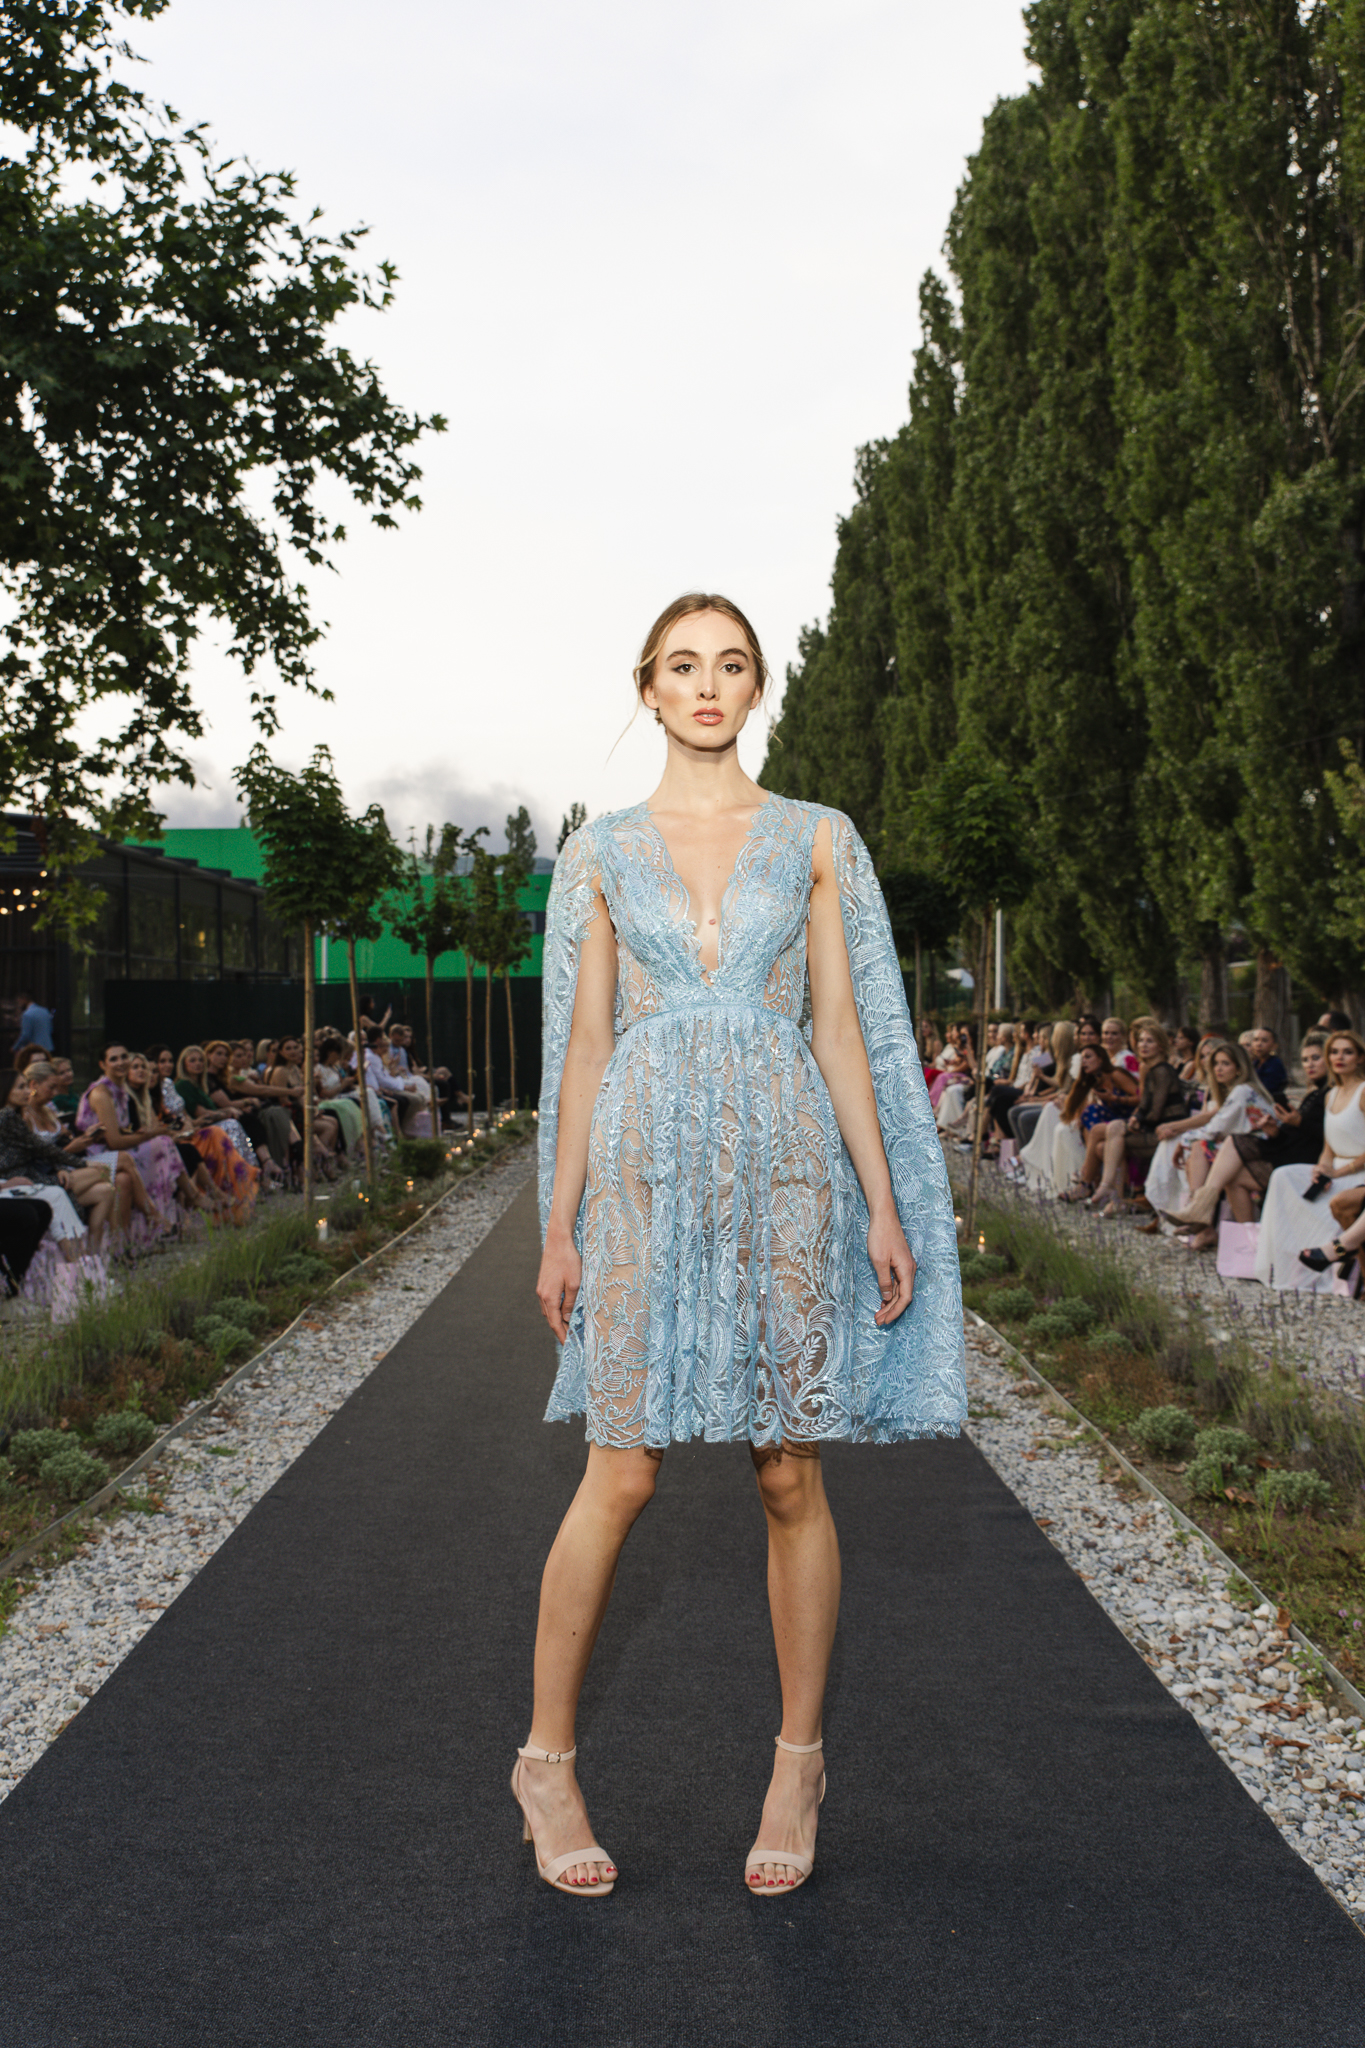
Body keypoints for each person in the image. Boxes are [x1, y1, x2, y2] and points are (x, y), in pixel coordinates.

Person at [525, 593, 964, 1900]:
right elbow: (585, 1046)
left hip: (785, 1172)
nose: (706, 684)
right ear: (648, 689)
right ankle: (544, 1763)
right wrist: (557, 1222)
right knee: (619, 1471)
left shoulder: (818, 837)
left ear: (755, 686)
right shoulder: (600, 850)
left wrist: (883, 1202)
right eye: (683, 665)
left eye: (729, 664)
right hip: (642, 1178)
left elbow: (841, 1029)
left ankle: (799, 1764)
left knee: (788, 1474)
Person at [1168, 1033, 1329, 1251]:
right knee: (1230, 1173)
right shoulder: (1314, 1093)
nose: (1218, 1069)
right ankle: (1250, 1241)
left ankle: (1198, 1208)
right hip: (1278, 1147)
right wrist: (1277, 1130)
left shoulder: (1244, 1090)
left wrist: (1183, 1138)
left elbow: (1217, 1126)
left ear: (1239, 1067)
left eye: (1225, 1063)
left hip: (1293, 1157)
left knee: (1209, 1144)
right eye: (1305, 1060)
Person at [1255, 1029, 1365, 1289]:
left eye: (1347, 1052)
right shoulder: (1331, 1094)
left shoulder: (1363, 1091)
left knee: (1339, 1201)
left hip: (1358, 1172)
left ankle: (1338, 1253)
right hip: (1336, 1169)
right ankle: (1284, 1260)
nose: (1339, 1058)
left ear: (1360, 1058)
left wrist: (1340, 1172)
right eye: (1334, 1052)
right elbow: (1329, 1145)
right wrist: (1322, 1167)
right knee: (1283, 1175)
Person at [0, 1068, 113, 1258]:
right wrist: (82, 1164)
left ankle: (93, 1256)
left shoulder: (19, 1114)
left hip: (37, 1172)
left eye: (27, 1086)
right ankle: (83, 1262)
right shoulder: (6, 1117)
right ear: (5, 1090)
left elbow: (42, 1150)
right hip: (22, 1179)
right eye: (21, 1087)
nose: (28, 1091)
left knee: (106, 1190)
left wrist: (60, 1167)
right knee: (101, 1172)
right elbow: (43, 1149)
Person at [1087, 1018, 1182, 1219]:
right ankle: (1112, 1193)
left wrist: (1139, 1123)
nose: (1143, 1045)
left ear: (1161, 1045)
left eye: (1149, 1041)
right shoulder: (1150, 1068)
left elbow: (1156, 1111)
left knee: (1109, 1142)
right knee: (1112, 1132)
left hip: (1168, 1130)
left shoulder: (1163, 1071)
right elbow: (1144, 1104)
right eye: (1141, 1041)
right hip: (1153, 1126)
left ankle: (1114, 1196)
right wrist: (1135, 1118)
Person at [1056, 1047, 1138, 1201]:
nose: (1084, 1061)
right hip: (1114, 1122)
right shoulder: (1095, 1080)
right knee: (1095, 1129)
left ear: (1100, 1058)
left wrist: (1115, 1099)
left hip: (1132, 1118)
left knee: (1094, 1123)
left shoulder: (1116, 1074)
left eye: (1088, 1057)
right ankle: (1095, 1179)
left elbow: (1140, 1097)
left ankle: (1086, 1182)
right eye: (1082, 1058)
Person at [1247, 1026, 1289, 1104]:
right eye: (1256, 1040)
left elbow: (1265, 1089)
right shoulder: (1255, 1063)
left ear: (1274, 1046)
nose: (1259, 1044)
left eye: (1264, 1040)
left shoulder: (1275, 1064)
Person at [11, 990, 53, 1057]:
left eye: (19, 1001)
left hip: (35, 1049)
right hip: (48, 1047)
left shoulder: (27, 1014)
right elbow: (50, 1029)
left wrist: (15, 1047)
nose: (19, 1004)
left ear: (24, 1000)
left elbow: (26, 1035)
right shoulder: (45, 1011)